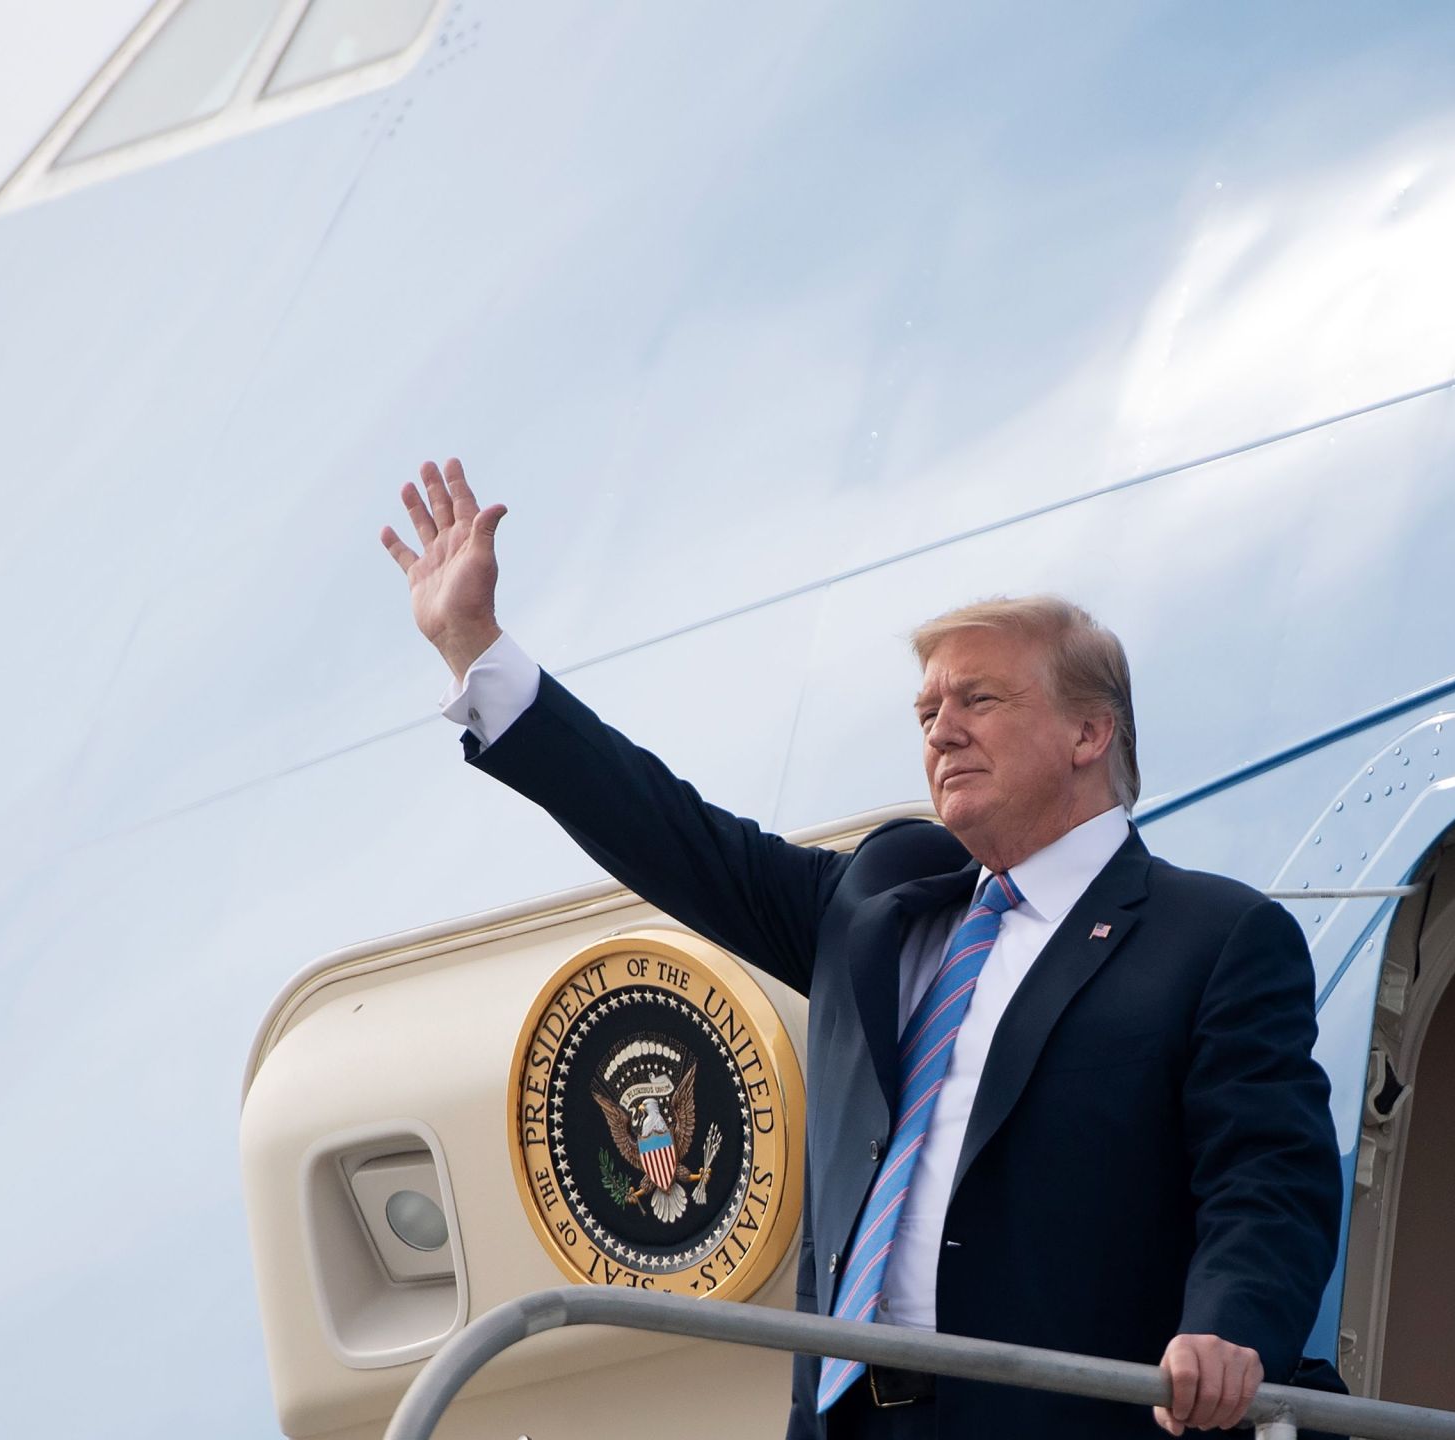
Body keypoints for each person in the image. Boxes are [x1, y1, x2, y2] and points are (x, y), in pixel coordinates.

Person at [382, 458, 1344, 1439]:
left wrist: (1230, 1335)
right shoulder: (874, 910)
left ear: (1089, 732)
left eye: (979, 702)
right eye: (927, 712)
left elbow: (1267, 1176)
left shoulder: (1212, 938)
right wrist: (476, 648)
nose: (942, 733)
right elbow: (662, 827)